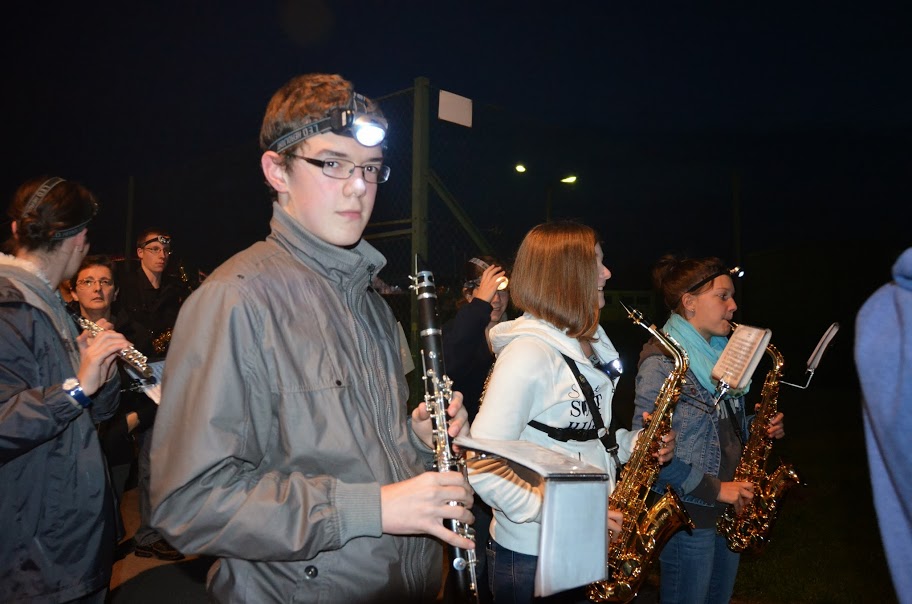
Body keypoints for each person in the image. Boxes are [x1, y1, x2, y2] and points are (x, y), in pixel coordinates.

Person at [149, 73, 475, 603]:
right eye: (331, 165)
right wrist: (373, 509)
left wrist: (416, 442)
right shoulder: (233, 300)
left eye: (369, 169)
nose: (358, 187)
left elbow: (357, 456)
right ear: (276, 170)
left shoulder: (369, 301)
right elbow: (187, 504)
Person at [468, 221, 675, 603]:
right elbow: (483, 465)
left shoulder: (591, 341)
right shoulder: (528, 355)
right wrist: (573, 515)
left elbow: (586, 435)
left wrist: (636, 444)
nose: (608, 273)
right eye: (596, 262)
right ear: (564, 275)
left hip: (584, 542)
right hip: (534, 553)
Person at [0, 176, 132, 603]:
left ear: (19, 230)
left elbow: (90, 414)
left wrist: (102, 374)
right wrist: (76, 387)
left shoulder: (49, 303)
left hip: (70, 536)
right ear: (80, 240)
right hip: (34, 553)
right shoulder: (10, 305)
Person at [632, 254, 785, 604]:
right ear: (689, 302)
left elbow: (716, 430)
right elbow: (649, 457)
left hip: (726, 508)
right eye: (722, 296)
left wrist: (756, 426)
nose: (733, 306)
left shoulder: (719, 354)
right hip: (691, 514)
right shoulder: (661, 362)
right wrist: (719, 490)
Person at [442, 255, 510, 604]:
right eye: (487, 294)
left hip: (502, 459)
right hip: (467, 458)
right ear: (469, 296)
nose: (496, 301)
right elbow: (451, 363)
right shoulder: (461, 332)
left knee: (494, 544)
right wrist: (480, 306)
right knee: (471, 552)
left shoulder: (511, 336)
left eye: (501, 293)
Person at [71, 255, 160, 522]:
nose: (97, 288)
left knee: (107, 518)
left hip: (116, 441)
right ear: (74, 292)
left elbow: (156, 389)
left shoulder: (135, 333)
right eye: (87, 281)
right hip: (74, 441)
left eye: (105, 282)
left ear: (115, 291)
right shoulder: (63, 333)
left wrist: (133, 420)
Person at [116, 230, 185, 561]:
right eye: (154, 248)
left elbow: (177, 332)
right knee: (135, 462)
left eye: (165, 249)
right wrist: (155, 346)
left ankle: (154, 531)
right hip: (136, 385)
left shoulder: (173, 289)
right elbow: (130, 337)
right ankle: (141, 534)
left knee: (158, 460)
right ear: (140, 251)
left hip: (165, 381)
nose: (161, 254)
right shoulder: (126, 288)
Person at [855, 246, 912, 604]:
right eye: (723, 297)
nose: (734, 305)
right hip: (704, 496)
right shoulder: (888, 313)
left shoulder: (885, 311)